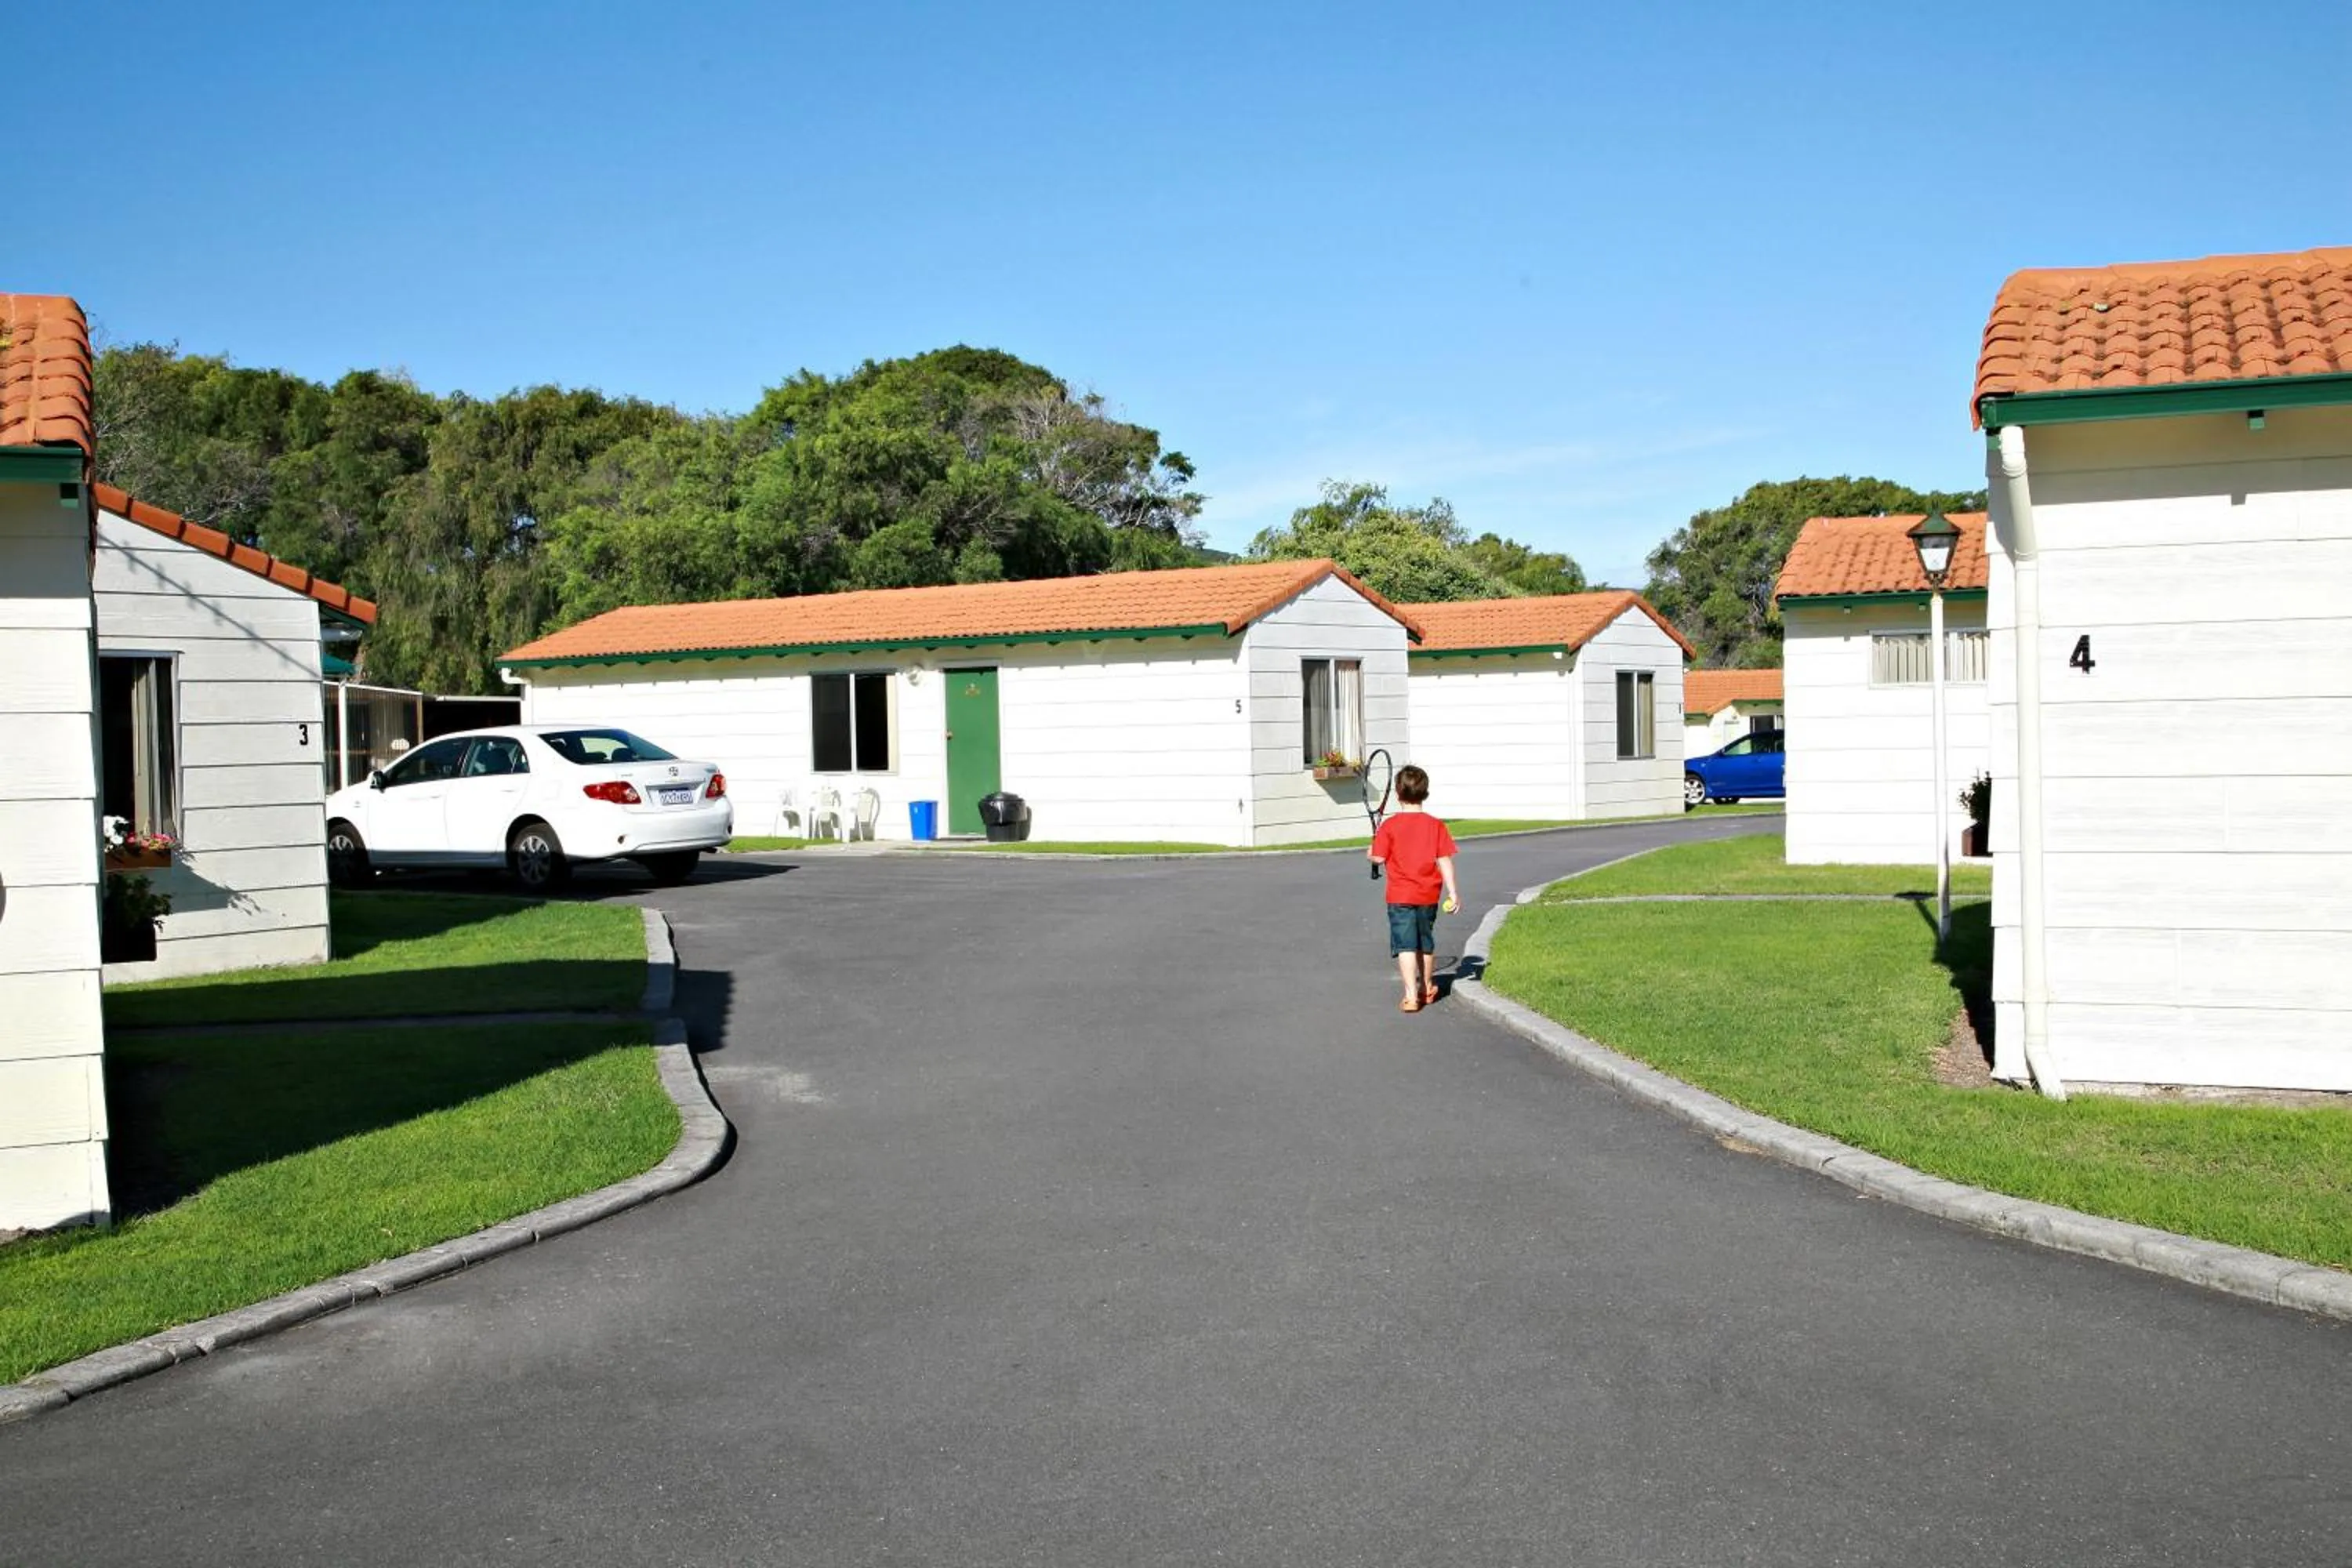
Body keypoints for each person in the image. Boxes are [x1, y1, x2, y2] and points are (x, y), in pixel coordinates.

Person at [1369, 764, 1460, 1013]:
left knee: (1405, 945)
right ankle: (1427, 987)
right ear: (1425, 793)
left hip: (1399, 896)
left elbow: (1378, 859)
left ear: (1398, 794)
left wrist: (1371, 850)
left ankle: (1411, 996)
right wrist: (1453, 892)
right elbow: (1445, 860)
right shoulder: (1436, 825)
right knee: (1425, 943)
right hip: (1429, 895)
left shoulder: (1389, 826)